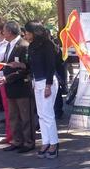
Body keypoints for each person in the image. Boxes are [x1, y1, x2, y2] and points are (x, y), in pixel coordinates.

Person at [7, 21, 59, 159]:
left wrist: (48, 85)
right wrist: (20, 65)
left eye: (28, 33)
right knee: (41, 115)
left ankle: (54, 144)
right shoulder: (32, 46)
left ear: (35, 32)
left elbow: (51, 66)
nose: (26, 35)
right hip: (37, 82)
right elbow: (30, 65)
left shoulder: (47, 44)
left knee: (48, 115)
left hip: (47, 82)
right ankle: (46, 142)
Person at [0, 21, 35, 154]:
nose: (2, 33)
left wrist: (8, 78)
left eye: (4, 30)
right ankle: (17, 141)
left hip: (22, 86)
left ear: (10, 31)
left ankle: (28, 142)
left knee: (26, 116)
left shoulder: (24, 45)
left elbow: (26, 68)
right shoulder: (8, 45)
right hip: (10, 86)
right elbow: (8, 64)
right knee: (13, 116)